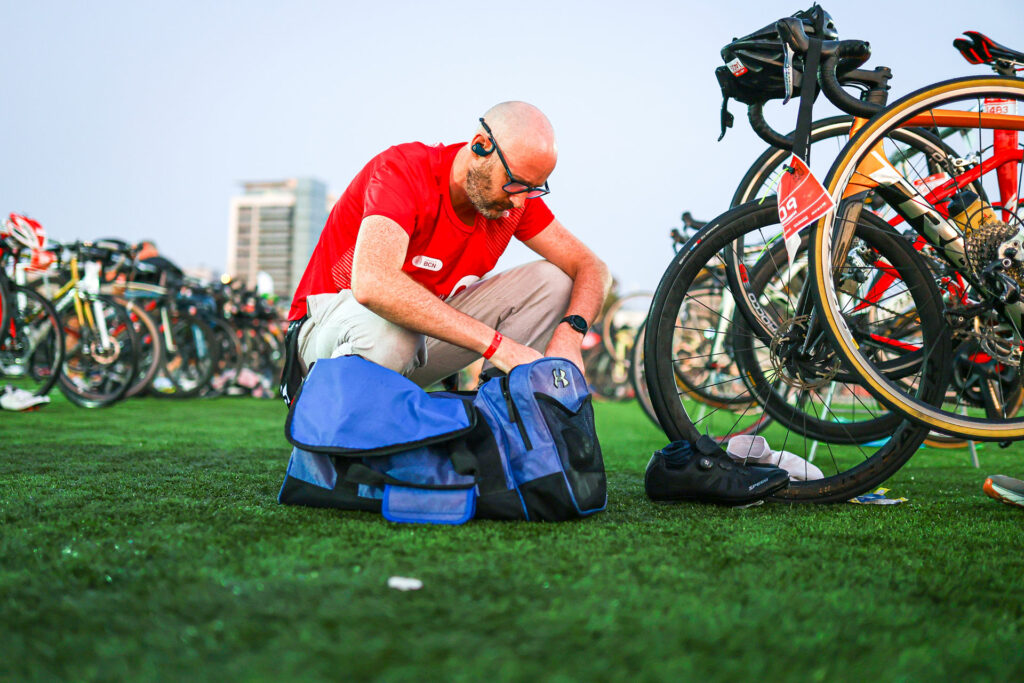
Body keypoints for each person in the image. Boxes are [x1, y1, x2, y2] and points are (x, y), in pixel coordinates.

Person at [287, 101, 611, 387]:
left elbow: (592, 267)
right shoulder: (404, 169)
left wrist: (571, 334)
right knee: (396, 332)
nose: (518, 201)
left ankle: (501, 416)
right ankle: (338, 428)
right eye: (514, 183)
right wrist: (499, 346)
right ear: (481, 145)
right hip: (325, 338)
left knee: (554, 281)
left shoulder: (514, 201)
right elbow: (373, 284)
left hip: (414, 345)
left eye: (533, 188)